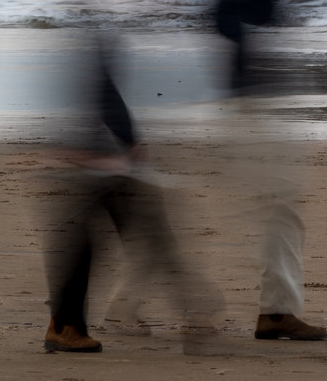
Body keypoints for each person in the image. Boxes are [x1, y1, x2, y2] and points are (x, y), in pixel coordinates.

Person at [42, 33, 215, 352]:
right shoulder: (97, 32)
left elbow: (101, 87)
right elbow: (99, 87)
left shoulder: (94, 33)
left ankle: (68, 323)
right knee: (140, 235)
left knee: (127, 236)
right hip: (97, 156)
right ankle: (191, 314)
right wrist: (120, 143)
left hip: (101, 154)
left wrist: (127, 138)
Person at [214, 0, 327, 342]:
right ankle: (277, 311)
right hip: (257, 97)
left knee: (278, 206)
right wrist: (255, 62)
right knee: (282, 205)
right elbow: (226, 17)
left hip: (255, 94)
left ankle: (127, 306)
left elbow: (234, 16)